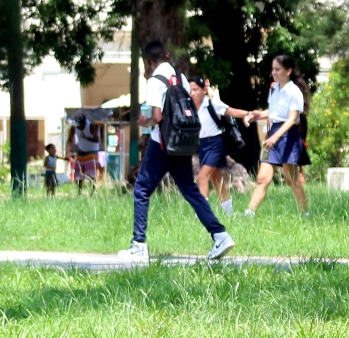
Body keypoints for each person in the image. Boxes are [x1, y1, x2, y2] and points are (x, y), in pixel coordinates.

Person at [120, 41, 234, 264]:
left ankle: (139, 244)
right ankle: (220, 235)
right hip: (182, 143)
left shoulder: (155, 80)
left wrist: (147, 121)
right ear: (167, 56)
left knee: (142, 188)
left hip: (162, 143)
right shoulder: (181, 77)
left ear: (149, 62)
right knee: (191, 190)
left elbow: (158, 116)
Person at [245, 55, 310, 215]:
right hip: (273, 133)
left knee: (291, 180)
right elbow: (274, 112)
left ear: (288, 71)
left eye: (277, 69)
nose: (273, 72)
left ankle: (305, 214)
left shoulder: (294, 91)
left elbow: (292, 118)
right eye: (273, 69)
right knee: (262, 179)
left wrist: (275, 137)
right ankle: (249, 214)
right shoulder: (274, 89)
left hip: (288, 136)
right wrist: (259, 115)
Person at [188, 76, 253, 215]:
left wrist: (249, 114)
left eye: (195, 90)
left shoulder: (212, 104)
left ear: (204, 90)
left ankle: (202, 213)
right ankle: (228, 212)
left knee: (201, 177)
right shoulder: (189, 107)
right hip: (202, 145)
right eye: (190, 91)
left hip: (215, 144)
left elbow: (232, 111)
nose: (193, 93)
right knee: (216, 178)